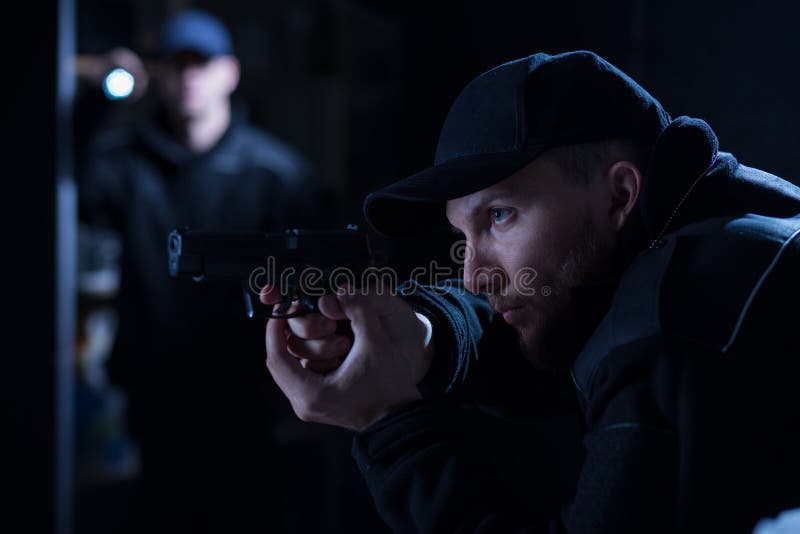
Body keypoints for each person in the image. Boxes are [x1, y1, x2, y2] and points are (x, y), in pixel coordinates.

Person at [261, 50, 800, 532]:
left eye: (500, 216)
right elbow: (551, 325)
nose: (474, 274)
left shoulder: (674, 335)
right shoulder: (735, 232)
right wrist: (423, 336)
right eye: (462, 236)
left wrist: (386, 423)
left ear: (618, 195)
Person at [79, 9, 325, 532]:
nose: (189, 77)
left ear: (229, 73)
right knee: (161, 510)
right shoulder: (125, 164)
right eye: (176, 64)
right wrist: (99, 96)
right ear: (158, 75)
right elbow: (71, 187)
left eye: (202, 63)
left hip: (245, 389)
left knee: (242, 509)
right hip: (155, 384)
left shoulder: (274, 174)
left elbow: (317, 279)